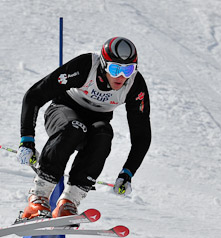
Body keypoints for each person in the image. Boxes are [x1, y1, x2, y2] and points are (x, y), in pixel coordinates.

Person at [17, 37, 151, 220]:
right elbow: (34, 95)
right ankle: (38, 198)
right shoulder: (86, 66)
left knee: (104, 134)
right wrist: (27, 140)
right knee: (74, 127)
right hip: (62, 113)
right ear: (103, 65)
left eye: (128, 69)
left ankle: (69, 202)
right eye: (115, 69)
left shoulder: (135, 85)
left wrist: (127, 172)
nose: (121, 76)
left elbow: (141, 135)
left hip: (95, 124)